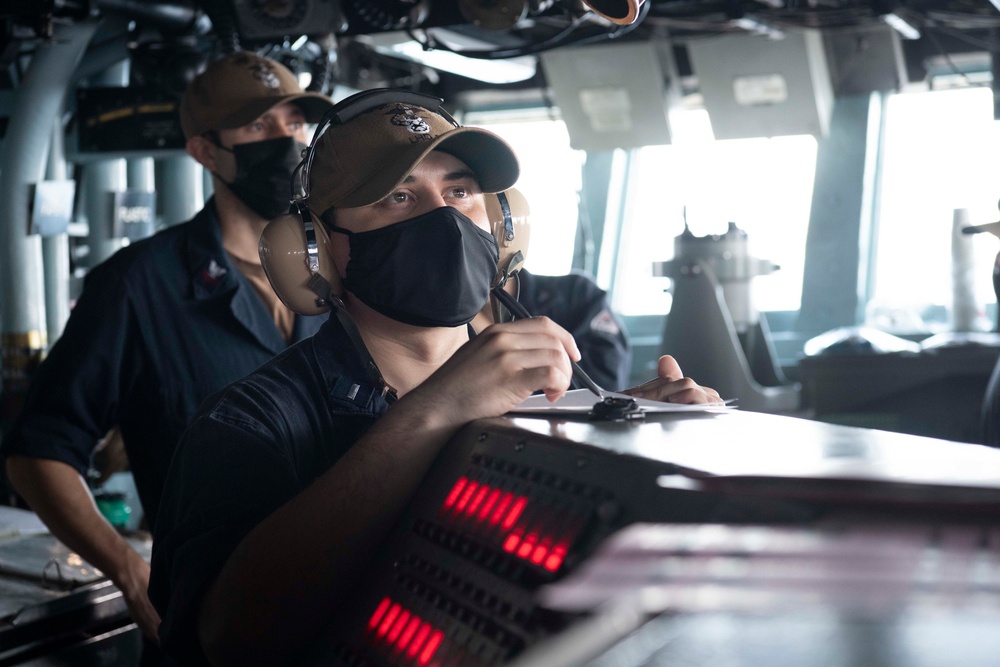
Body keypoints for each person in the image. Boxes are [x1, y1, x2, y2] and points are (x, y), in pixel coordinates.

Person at [148, 89, 719, 665]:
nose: (442, 218)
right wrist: (434, 412)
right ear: (315, 249)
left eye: (460, 191)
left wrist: (643, 437)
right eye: (397, 197)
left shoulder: (547, 402)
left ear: (501, 225)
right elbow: (227, 640)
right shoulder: (248, 427)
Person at [1, 51, 334, 640]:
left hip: (342, 611)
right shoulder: (138, 285)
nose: (286, 142)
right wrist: (130, 572)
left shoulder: (345, 274)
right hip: (211, 628)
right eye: (259, 127)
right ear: (205, 152)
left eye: (295, 124)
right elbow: (38, 455)